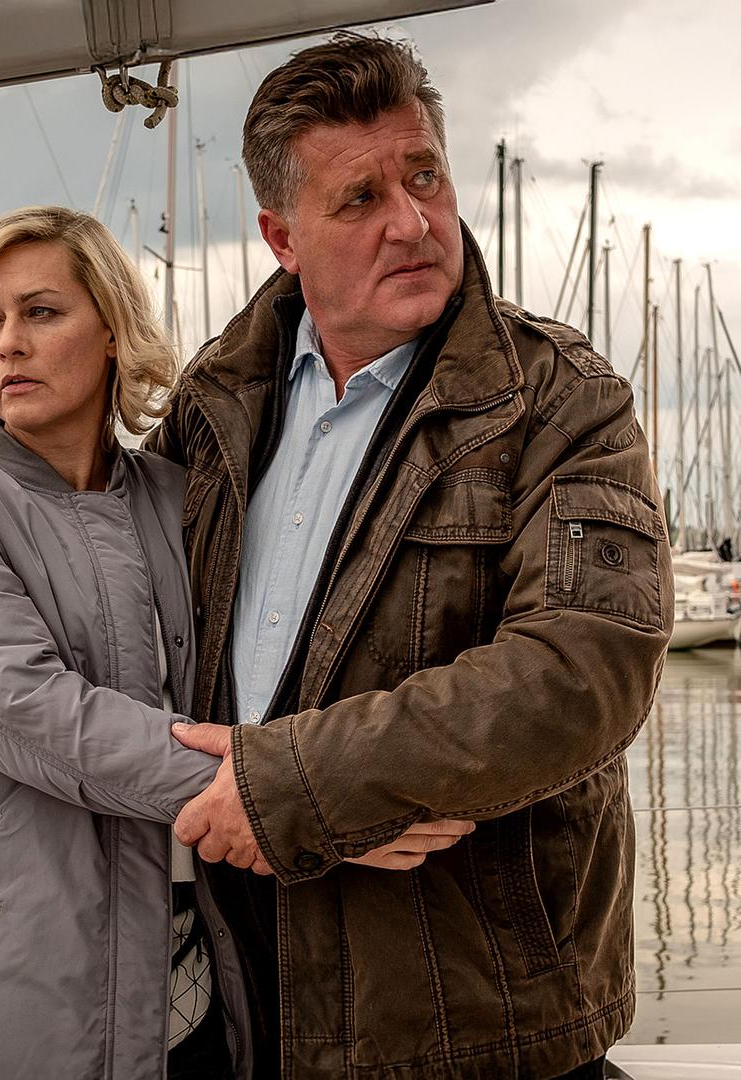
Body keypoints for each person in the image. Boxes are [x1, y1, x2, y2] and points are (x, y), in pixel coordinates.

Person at [151, 33, 670, 1079]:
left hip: (473, 1022)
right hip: (243, 1004)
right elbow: (124, 630)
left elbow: (582, 671)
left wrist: (314, 786)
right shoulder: (212, 406)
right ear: (281, 237)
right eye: (360, 199)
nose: (415, 221)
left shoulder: (561, 397)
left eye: (424, 173)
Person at [0, 206, 465, 1078]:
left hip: (192, 978)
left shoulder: (182, 500)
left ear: (111, 332)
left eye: (41, 312)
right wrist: (302, 800)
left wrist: (371, 768)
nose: (7, 345)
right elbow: (27, 707)